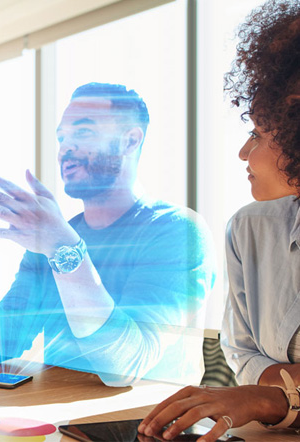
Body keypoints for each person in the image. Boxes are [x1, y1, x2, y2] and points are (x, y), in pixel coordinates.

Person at [0, 82, 215, 386]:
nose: (65, 148)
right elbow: (0, 345)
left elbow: (124, 366)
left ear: (131, 139)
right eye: (61, 138)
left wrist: (62, 246)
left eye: (83, 132)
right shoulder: (52, 238)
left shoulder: (178, 233)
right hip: (61, 420)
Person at [140, 1, 300, 440]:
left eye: (260, 134)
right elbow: (241, 352)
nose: (244, 152)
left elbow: (262, 387)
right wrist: (284, 393)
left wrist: (272, 397)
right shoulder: (249, 229)